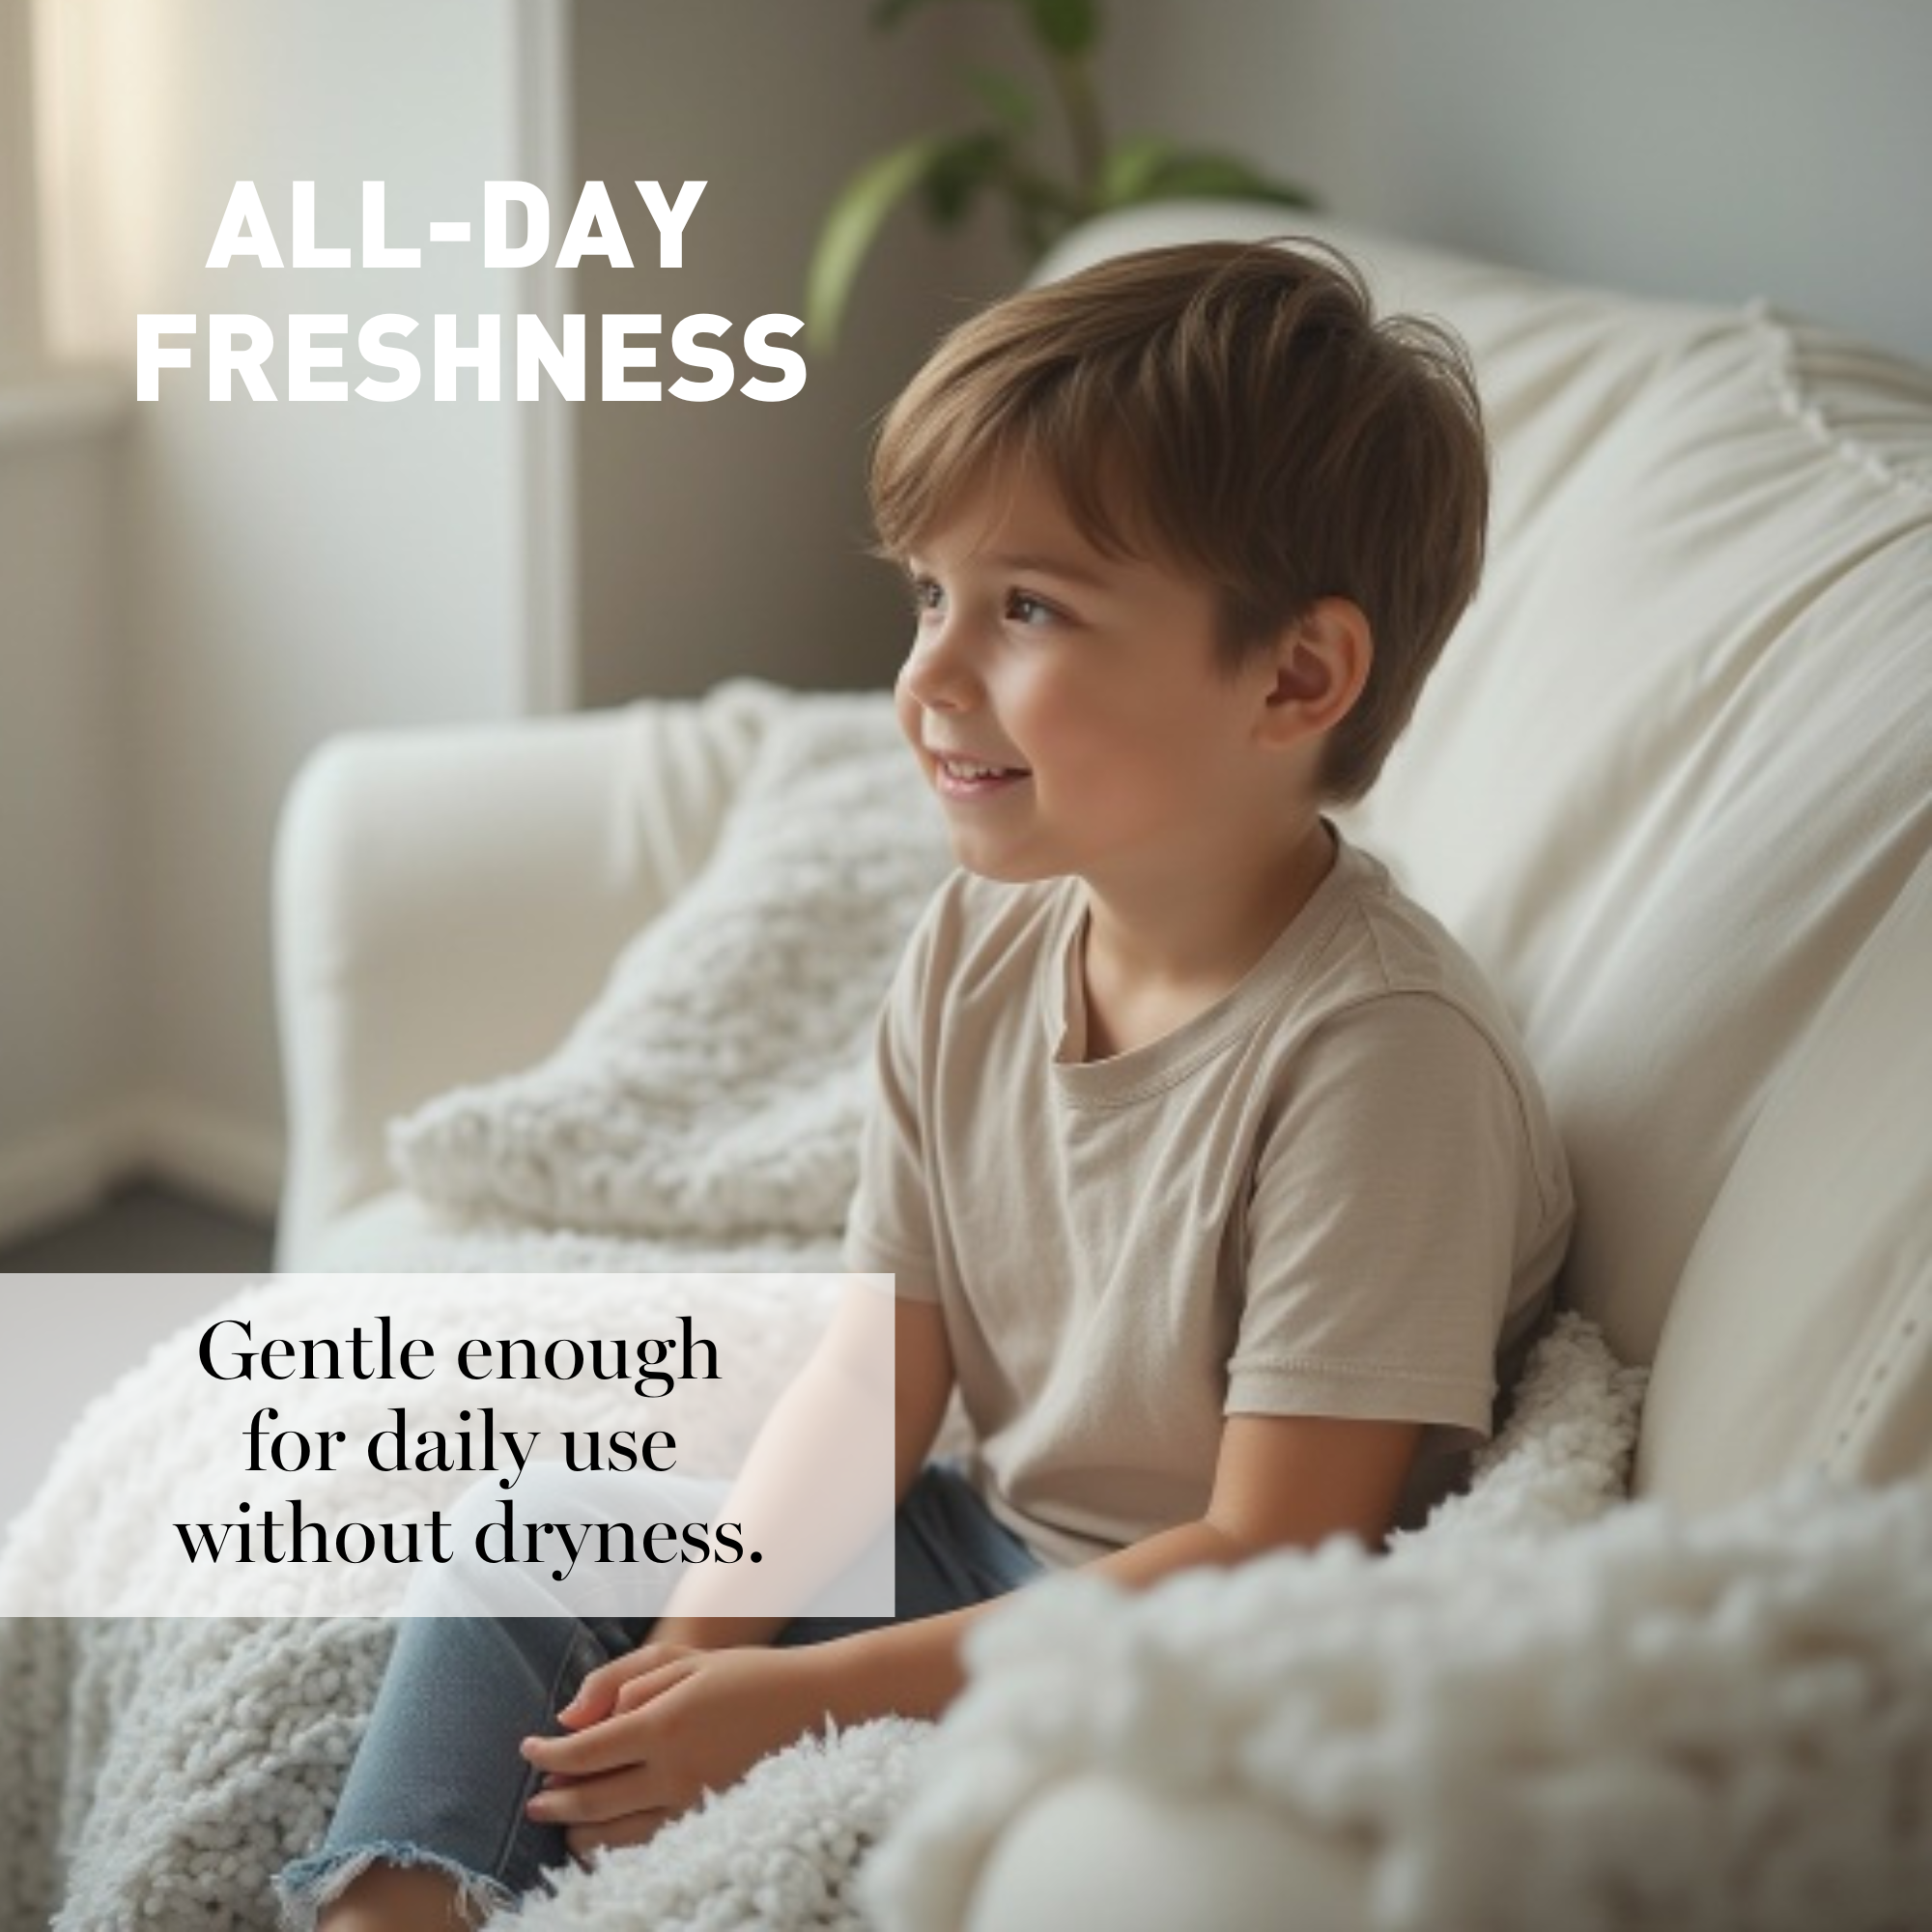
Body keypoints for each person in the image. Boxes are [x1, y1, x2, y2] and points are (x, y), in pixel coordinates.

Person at [279, 237, 1573, 1931]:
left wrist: (809, 1701)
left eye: (1027, 606)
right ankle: (397, 1907)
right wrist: (693, 1657)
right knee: (542, 1529)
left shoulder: (1379, 1056)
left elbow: (1276, 1558)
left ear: (1294, 677)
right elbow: (881, 1371)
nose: (929, 676)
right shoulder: (976, 941)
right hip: (980, 1543)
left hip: (1162, 1655)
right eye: (928, 596)